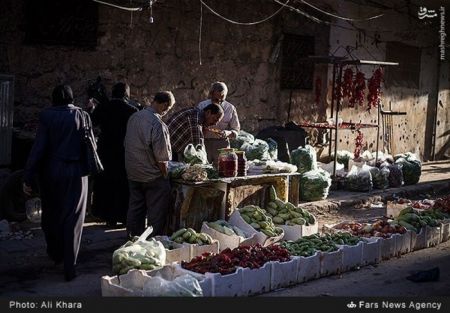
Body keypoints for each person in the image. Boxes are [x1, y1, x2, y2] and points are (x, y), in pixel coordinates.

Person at [23, 85, 90, 281]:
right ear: (71, 98)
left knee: (51, 215)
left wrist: (28, 176)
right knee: (74, 219)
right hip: (77, 173)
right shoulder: (82, 115)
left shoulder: (46, 116)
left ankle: (55, 253)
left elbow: (39, 147)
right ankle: (70, 267)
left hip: (51, 173)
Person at [124, 91, 175, 237]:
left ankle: (132, 238)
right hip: (151, 176)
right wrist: (166, 177)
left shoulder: (134, 117)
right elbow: (162, 160)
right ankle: (153, 241)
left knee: (135, 208)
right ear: (165, 105)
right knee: (156, 213)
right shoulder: (157, 124)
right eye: (169, 108)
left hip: (133, 173)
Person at [90, 82, 140, 227]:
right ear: (126, 94)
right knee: (123, 185)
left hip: (105, 151)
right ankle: (123, 217)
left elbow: (93, 122)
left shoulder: (103, 107)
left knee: (106, 185)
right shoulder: (132, 110)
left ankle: (108, 218)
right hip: (124, 152)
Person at [197, 81, 240, 164]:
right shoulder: (202, 106)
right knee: (205, 170)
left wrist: (227, 133)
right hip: (205, 143)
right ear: (211, 94)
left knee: (224, 171)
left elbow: (236, 130)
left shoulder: (230, 108)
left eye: (222, 100)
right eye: (216, 99)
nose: (219, 102)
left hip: (222, 145)